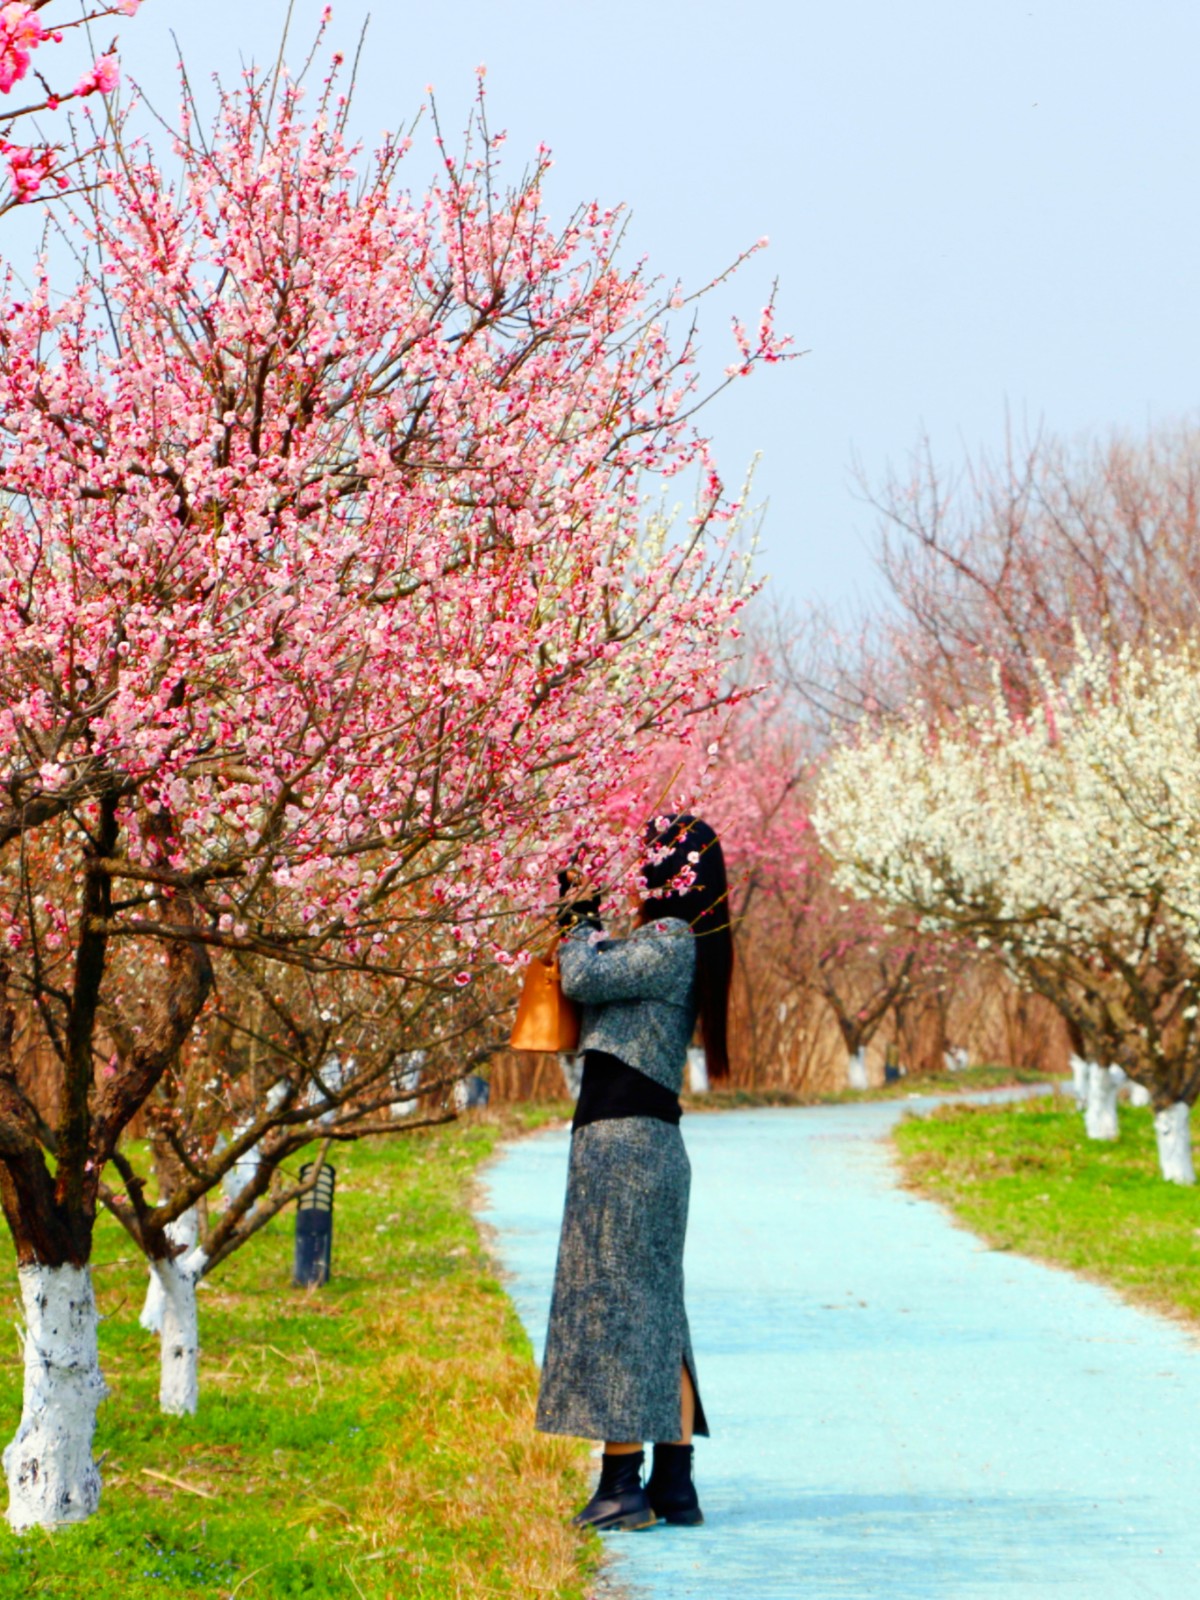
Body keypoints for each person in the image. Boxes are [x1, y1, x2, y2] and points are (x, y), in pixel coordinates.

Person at [534, 814, 733, 1532]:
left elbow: (584, 974)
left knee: (616, 1306)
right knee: (656, 1312)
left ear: (670, 873)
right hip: (644, 1144)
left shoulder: (670, 940)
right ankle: (674, 1484)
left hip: (622, 1147)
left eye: (648, 857)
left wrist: (577, 911)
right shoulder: (677, 945)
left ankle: (621, 1486)